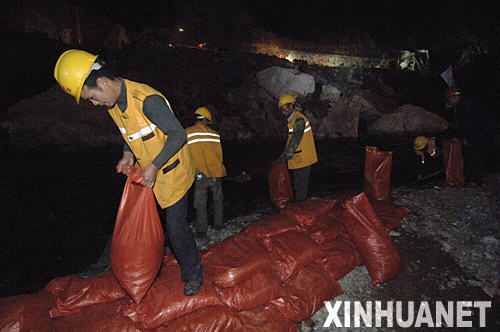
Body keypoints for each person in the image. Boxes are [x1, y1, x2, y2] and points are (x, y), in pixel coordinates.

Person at [53, 49, 203, 296]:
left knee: (177, 229)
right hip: (148, 173)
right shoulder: (113, 104)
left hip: (173, 172)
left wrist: (154, 166)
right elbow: (130, 133)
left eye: (92, 98)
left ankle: (193, 272)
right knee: (127, 219)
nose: (95, 104)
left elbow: (178, 134)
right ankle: (103, 264)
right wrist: (128, 154)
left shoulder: (147, 101)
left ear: (102, 82)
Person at [185, 107, 226, 236]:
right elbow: (219, 154)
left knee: (200, 202)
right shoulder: (215, 134)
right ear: (207, 119)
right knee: (218, 199)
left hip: (201, 174)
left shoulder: (187, 133)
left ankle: (202, 230)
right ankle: (219, 224)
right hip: (216, 172)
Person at [278, 94, 317, 202]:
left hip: (303, 159)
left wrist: (287, 155)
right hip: (300, 158)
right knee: (298, 186)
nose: (283, 113)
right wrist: (284, 154)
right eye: (281, 110)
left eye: (284, 110)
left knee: (300, 187)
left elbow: (295, 140)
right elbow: (291, 140)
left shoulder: (299, 120)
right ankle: (300, 209)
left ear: (291, 106)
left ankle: (300, 211)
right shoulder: (293, 119)